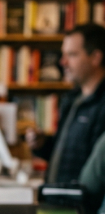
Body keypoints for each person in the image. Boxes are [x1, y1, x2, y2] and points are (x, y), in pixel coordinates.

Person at [27, 23, 105, 183]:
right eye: (63, 55)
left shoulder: (102, 104)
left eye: (72, 55)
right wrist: (42, 144)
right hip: (59, 200)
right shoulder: (71, 99)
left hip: (83, 204)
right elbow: (65, 157)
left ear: (96, 57)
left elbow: (98, 167)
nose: (63, 62)